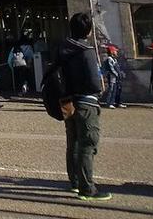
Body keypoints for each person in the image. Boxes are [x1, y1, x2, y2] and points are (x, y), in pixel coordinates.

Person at [60, 12, 111, 201]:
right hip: (86, 102)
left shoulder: (64, 49)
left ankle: (74, 182)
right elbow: (94, 83)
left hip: (68, 102)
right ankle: (87, 188)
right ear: (88, 30)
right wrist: (100, 87)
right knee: (87, 144)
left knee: (72, 142)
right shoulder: (86, 51)